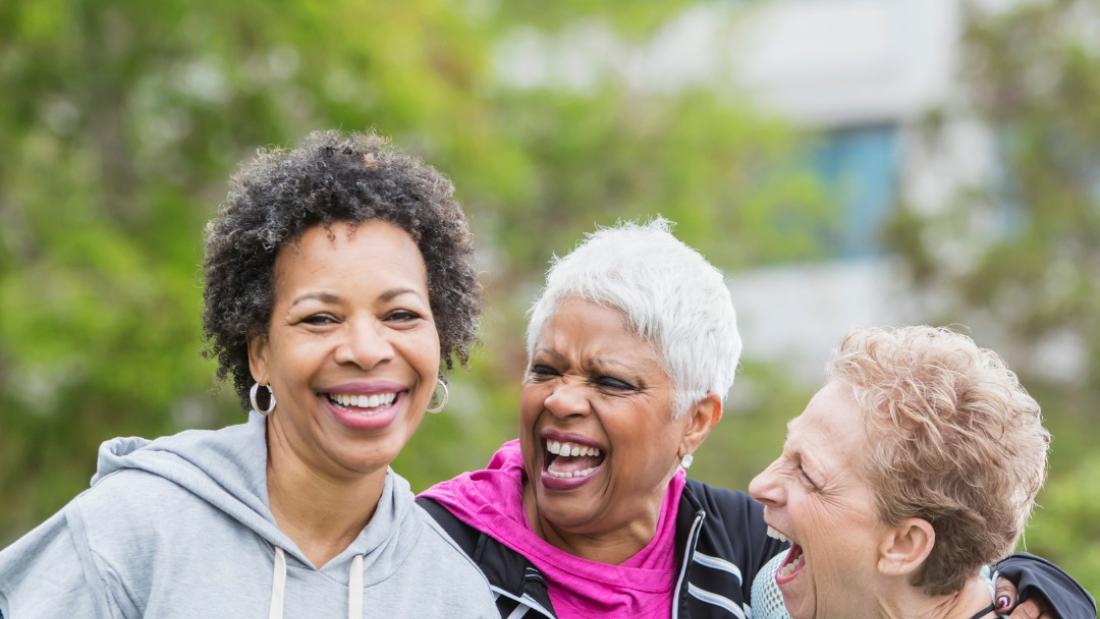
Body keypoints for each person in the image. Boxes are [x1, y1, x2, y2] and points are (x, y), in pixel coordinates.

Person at [419, 219, 1094, 619]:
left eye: (610, 381)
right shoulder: (430, 550)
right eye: (545, 369)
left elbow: (949, 566)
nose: (764, 485)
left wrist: (1027, 594)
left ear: (697, 419)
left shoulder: (750, 561)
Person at [0, 131, 498, 618]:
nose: (366, 351)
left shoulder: (454, 593)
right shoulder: (134, 530)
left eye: (401, 315)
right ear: (259, 353)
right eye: (320, 318)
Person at [749, 326, 1096, 619]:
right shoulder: (788, 594)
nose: (759, 485)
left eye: (807, 475)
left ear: (904, 544)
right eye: (786, 451)